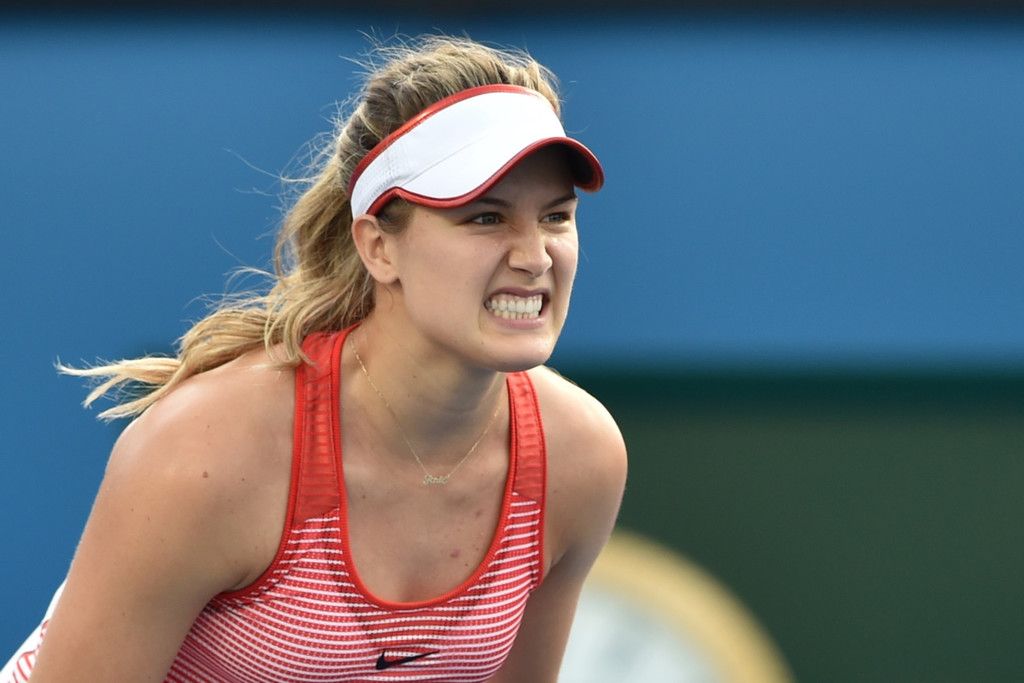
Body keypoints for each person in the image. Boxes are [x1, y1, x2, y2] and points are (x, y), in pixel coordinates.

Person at [2, 35, 627, 682]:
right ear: (378, 248)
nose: (534, 256)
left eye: (556, 217)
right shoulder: (208, 453)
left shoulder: (579, 457)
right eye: (485, 219)